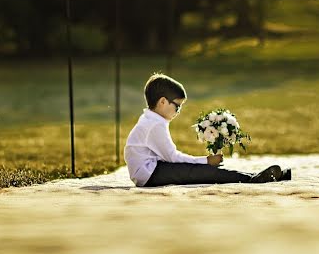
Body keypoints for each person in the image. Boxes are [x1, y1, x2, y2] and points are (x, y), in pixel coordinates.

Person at [124, 73, 291, 187]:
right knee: (202, 172)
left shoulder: (151, 120)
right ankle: (253, 179)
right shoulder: (155, 125)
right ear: (162, 102)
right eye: (177, 106)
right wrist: (206, 161)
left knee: (203, 172)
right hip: (150, 175)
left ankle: (253, 177)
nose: (178, 112)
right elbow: (173, 157)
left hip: (152, 170)